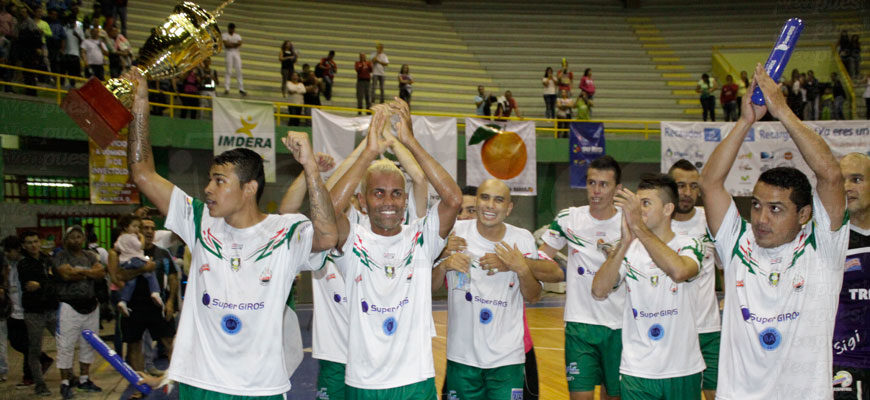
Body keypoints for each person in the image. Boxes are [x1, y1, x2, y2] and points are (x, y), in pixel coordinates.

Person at [123, 67, 337, 397]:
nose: (208, 189)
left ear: (249, 188)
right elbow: (143, 174)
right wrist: (140, 106)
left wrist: (310, 168)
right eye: (210, 179)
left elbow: (327, 237)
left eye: (219, 181)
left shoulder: (285, 230)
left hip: (261, 388)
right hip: (202, 384)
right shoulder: (198, 220)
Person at [701, 63, 848, 399]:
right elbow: (709, 183)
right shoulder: (737, 244)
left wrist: (781, 109)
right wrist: (745, 122)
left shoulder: (821, 247)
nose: (761, 218)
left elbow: (830, 176)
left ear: (804, 214)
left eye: (776, 209)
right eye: (755, 205)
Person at [326, 99, 462, 397]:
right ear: (362, 200)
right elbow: (328, 213)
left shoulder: (421, 238)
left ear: (405, 200)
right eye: (378, 193)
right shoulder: (354, 241)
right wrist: (368, 153)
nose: (389, 201)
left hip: (416, 379)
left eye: (397, 193)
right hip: (364, 382)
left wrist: (410, 141)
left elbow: (453, 199)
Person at [592, 174, 706, 400]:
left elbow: (680, 271)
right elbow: (598, 291)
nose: (638, 210)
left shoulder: (689, 244)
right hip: (637, 370)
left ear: (667, 209)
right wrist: (624, 243)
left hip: (682, 369)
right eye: (637, 203)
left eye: (645, 203)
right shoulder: (628, 249)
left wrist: (637, 227)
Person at [437, 178, 542, 400]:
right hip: (462, 357)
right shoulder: (453, 233)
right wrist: (444, 264)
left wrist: (521, 268)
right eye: (485, 197)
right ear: (477, 202)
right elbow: (426, 287)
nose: (490, 205)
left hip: (507, 360)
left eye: (499, 200)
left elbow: (533, 296)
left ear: (509, 207)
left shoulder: (522, 239)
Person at [539, 155, 624, 400]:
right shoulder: (569, 218)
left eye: (604, 184)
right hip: (580, 325)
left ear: (617, 188)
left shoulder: (630, 224)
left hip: (619, 326)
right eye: (591, 183)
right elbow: (542, 258)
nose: (596, 191)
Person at [668, 159, 721, 400]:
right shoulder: (656, 223)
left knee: (716, 393)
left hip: (708, 329)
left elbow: (727, 268)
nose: (687, 193)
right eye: (680, 185)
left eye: (693, 186)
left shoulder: (712, 221)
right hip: (672, 331)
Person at [111, 217, 179, 396]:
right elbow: (118, 277)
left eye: (152, 228)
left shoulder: (163, 253)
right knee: (134, 346)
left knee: (169, 341)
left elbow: (173, 278)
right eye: (144, 228)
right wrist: (143, 269)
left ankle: (173, 384)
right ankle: (138, 386)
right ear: (136, 232)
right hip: (133, 306)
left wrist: (171, 302)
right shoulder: (123, 253)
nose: (149, 231)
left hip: (159, 305)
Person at [832, 153, 870, 400]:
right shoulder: (827, 239)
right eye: (841, 181)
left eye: (856, 179)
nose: (847, 188)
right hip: (843, 363)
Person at [53, 225, 105, 398]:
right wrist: (89, 273)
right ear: (66, 240)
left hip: (91, 305)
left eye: (79, 236)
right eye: (72, 237)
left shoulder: (89, 255)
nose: (76, 240)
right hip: (69, 306)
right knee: (66, 345)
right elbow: (65, 274)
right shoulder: (61, 255)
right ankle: (65, 383)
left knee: (89, 344)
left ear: (83, 239)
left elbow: (100, 272)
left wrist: (80, 272)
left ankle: (84, 379)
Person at [3, 235, 53, 389]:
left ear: (17, 249)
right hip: (14, 309)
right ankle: (38, 364)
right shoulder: (9, 265)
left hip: (28, 309)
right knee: (19, 342)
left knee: (29, 344)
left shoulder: (29, 263)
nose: (5, 253)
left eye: (8, 250)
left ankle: (30, 375)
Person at [17, 231, 57, 396]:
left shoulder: (47, 260)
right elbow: (29, 285)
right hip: (34, 312)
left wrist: (42, 283)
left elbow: (55, 281)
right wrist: (46, 282)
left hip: (51, 308)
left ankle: (70, 377)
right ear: (24, 246)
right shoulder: (24, 264)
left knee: (64, 343)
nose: (33, 245)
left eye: (35, 241)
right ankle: (40, 384)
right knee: (34, 349)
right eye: (29, 242)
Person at [113, 216, 163, 316]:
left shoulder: (121, 238)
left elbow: (116, 247)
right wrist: (141, 238)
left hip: (125, 262)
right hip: (135, 259)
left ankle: (123, 301)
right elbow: (140, 246)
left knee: (130, 283)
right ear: (126, 228)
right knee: (150, 272)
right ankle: (155, 292)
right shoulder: (132, 237)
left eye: (138, 227)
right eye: (135, 226)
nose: (137, 229)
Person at [60, 10, 83, 88]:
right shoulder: (65, 28)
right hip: (66, 53)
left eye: (73, 20)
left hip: (75, 54)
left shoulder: (79, 30)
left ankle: (72, 86)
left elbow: (82, 42)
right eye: (71, 20)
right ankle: (61, 85)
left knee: (72, 72)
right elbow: (62, 39)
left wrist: (77, 35)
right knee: (63, 71)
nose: (72, 21)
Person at [222, 23, 245, 96]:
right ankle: (227, 87)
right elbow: (226, 44)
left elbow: (240, 43)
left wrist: (231, 44)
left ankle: (241, 88)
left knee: (239, 70)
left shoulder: (237, 36)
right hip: (229, 53)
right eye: (231, 28)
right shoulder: (224, 35)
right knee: (228, 70)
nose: (232, 30)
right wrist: (235, 44)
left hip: (236, 53)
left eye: (233, 28)